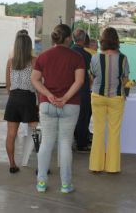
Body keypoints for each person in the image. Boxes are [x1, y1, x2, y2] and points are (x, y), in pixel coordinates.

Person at [31, 24, 85, 193]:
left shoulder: (43, 56)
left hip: (47, 104)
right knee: (65, 143)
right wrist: (65, 98)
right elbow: (79, 81)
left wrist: (49, 95)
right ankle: (66, 185)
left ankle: (41, 182)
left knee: (46, 142)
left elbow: (35, 80)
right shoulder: (77, 57)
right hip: (70, 105)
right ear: (68, 38)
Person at [89, 27, 129, 173]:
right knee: (114, 132)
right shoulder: (123, 58)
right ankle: (112, 167)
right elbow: (125, 79)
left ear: (102, 41)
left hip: (97, 97)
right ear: (116, 41)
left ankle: (96, 166)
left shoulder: (95, 57)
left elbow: (92, 77)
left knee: (98, 131)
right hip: (116, 98)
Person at [4, 33, 38, 174]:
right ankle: (41, 165)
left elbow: (7, 85)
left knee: (11, 134)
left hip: (13, 98)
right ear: (29, 46)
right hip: (28, 98)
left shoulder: (10, 62)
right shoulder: (34, 61)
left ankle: (12, 164)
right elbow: (38, 83)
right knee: (35, 132)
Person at [71, 29, 92, 152]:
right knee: (83, 116)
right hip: (82, 90)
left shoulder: (68, 52)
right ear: (84, 40)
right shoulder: (86, 55)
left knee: (72, 116)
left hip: (68, 89)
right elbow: (90, 75)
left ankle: (73, 138)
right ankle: (82, 143)